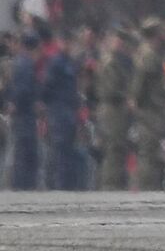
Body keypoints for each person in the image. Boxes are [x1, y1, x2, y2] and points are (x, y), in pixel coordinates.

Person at [129, 20, 165, 191]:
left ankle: (151, 186)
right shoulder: (148, 55)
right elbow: (140, 81)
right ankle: (147, 188)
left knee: (152, 150)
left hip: (154, 107)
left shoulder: (150, 53)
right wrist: (135, 100)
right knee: (148, 151)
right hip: (149, 108)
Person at [39, 34, 83, 190]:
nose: (68, 45)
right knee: (59, 147)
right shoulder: (56, 62)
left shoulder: (70, 62)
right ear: (59, 42)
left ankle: (66, 184)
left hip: (69, 110)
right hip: (58, 110)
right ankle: (58, 184)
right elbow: (47, 87)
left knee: (68, 147)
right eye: (65, 41)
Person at [93, 28, 133, 190]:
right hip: (111, 109)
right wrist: (126, 96)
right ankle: (110, 185)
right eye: (118, 39)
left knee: (118, 148)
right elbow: (109, 89)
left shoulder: (120, 61)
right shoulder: (110, 62)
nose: (121, 43)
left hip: (117, 110)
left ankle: (116, 183)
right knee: (112, 148)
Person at [7, 29, 40, 189]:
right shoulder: (26, 64)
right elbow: (24, 89)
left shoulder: (21, 63)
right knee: (25, 149)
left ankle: (20, 184)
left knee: (22, 149)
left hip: (22, 112)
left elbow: (19, 89)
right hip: (25, 113)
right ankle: (24, 185)